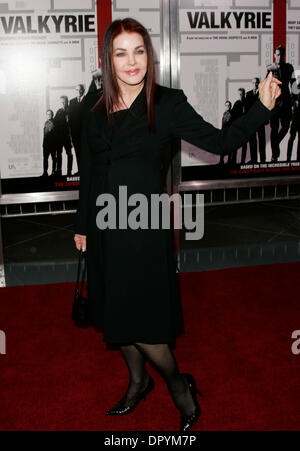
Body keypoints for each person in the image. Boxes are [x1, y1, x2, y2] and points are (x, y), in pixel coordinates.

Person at [73, 18, 281, 431]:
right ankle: (137, 383)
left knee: (146, 324)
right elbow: (89, 172)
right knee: (117, 316)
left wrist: (262, 108)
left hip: (143, 231)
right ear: (107, 59)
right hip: (101, 229)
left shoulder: (166, 103)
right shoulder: (91, 110)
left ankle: (180, 390)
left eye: (139, 51)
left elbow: (220, 143)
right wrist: (82, 225)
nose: (132, 61)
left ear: (149, 55)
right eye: (121, 53)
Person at [266, 45, 295, 162]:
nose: (279, 57)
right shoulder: (270, 68)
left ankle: (275, 144)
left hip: (287, 101)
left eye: (281, 55)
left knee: (286, 126)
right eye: (277, 55)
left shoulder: (289, 67)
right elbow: (266, 84)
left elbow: (294, 83)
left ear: (284, 55)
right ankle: (275, 156)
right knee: (274, 128)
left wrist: (295, 98)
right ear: (274, 55)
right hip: (275, 102)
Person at [245, 77, 266, 163]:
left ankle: (262, 160)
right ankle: (254, 160)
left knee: (262, 141)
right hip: (252, 122)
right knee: (252, 142)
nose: (255, 84)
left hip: (260, 121)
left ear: (259, 83)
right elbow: (247, 109)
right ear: (252, 83)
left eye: (256, 83)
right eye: (253, 83)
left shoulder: (263, 93)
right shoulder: (248, 94)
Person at [53, 95, 73, 176]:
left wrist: (71, 138)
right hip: (59, 137)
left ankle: (69, 171)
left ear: (67, 102)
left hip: (67, 136)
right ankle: (59, 170)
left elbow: (73, 124)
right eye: (61, 102)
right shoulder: (59, 111)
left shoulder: (71, 111)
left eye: (64, 102)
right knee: (59, 153)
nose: (63, 104)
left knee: (69, 153)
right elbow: (54, 123)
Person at [69, 84, 86, 175]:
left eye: (80, 90)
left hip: (85, 133)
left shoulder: (88, 101)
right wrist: (71, 135)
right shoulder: (72, 102)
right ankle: (80, 171)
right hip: (75, 133)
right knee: (77, 152)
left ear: (83, 90)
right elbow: (70, 119)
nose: (79, 91)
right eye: (77, 90)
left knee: (86, 153)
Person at [229, 88, 247, 165]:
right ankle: (234, 161)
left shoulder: (247, 102)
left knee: (244, 144)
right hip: (238, 126)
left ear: (244, 94)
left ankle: (243, 161)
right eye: (239, 94)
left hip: (245, 126)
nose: (240, 95)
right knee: (235, 143)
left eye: (241, 94)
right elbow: (232, 114)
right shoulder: (237, 103)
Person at [41, 109, 56, 176]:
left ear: (52, 115)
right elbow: (45, 134)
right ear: (46, 115)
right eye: (47, 114)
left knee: (54, 158)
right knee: (45, 159)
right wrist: (43, 144)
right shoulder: (46, 123)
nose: (49, 115)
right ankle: (45, 172)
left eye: (50, 114)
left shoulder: (55, 122)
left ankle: (53, 172)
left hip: (52, 144)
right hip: (46, 144)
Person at [219, 100, 233, 165]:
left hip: (228, 132)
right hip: (223, 132)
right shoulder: (224, 113)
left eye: (228, 105)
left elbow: (229, 123)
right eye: (226, 105)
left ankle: (229, 160)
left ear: (230, 106)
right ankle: (221, 160)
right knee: (223, 147)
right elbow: (223, 123)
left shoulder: (231, 113)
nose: (227, 106)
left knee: (229, 147)